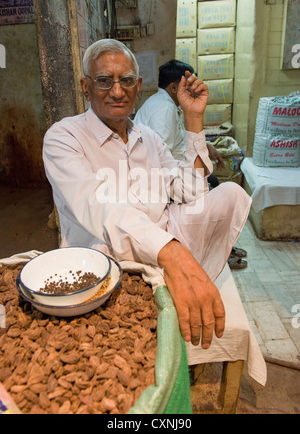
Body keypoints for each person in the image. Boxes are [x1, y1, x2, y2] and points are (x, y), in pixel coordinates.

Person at [43, 39, 251, 350]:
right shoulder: (64, 137)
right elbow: (100, 207)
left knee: (231, 194)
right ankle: (172, 280)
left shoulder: (148, 138)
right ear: (86, 87)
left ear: (138, 85)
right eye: (104, 81)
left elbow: (189, 191)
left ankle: (180, 281)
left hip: (162, 243)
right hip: (108, 256)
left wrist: (193, 119)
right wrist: (173, 253)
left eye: (126, 80)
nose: (117, 91)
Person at [135, 59, 248, 269]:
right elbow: (162, 156)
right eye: (187, 84)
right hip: (161, 182)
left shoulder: (169, 105)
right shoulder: (163, 109)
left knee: (210, 180)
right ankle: (214, 251)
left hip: (172, 171)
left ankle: (223, 246)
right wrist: (190, 171)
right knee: (207, 192)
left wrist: (206, 148)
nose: (192, 88)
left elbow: (178, 140)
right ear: (174, 87)